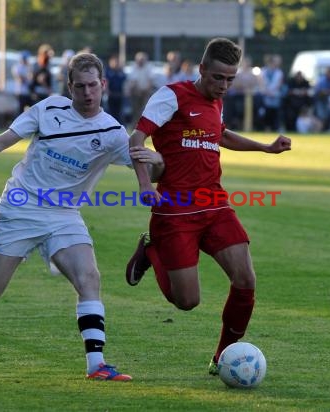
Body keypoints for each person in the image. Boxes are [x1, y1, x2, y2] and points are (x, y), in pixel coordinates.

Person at [0, 53, 165, 380]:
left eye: (93, 85)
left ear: (103, 85)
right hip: (21, 206)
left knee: (89, 278)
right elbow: (2, 141)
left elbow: (148, 168)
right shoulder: (49, 109)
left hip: (64, 214)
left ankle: (97, 365)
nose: (87, 93)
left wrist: (158, 160)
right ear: (69, 87)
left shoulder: (112, 132)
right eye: (80, 86)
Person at [124, 38, 291, 376]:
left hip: (214, 203)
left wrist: (265, 148)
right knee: (187, 302)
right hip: (175, 210)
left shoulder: (216, 102)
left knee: (245, 279)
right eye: (218, 78)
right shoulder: (170, 96)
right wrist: (144, 185)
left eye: (230, 79)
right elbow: (136, 140)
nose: (224, 86)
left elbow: (221, 136)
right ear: (201, 70)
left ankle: (222, 357)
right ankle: (150, 250)